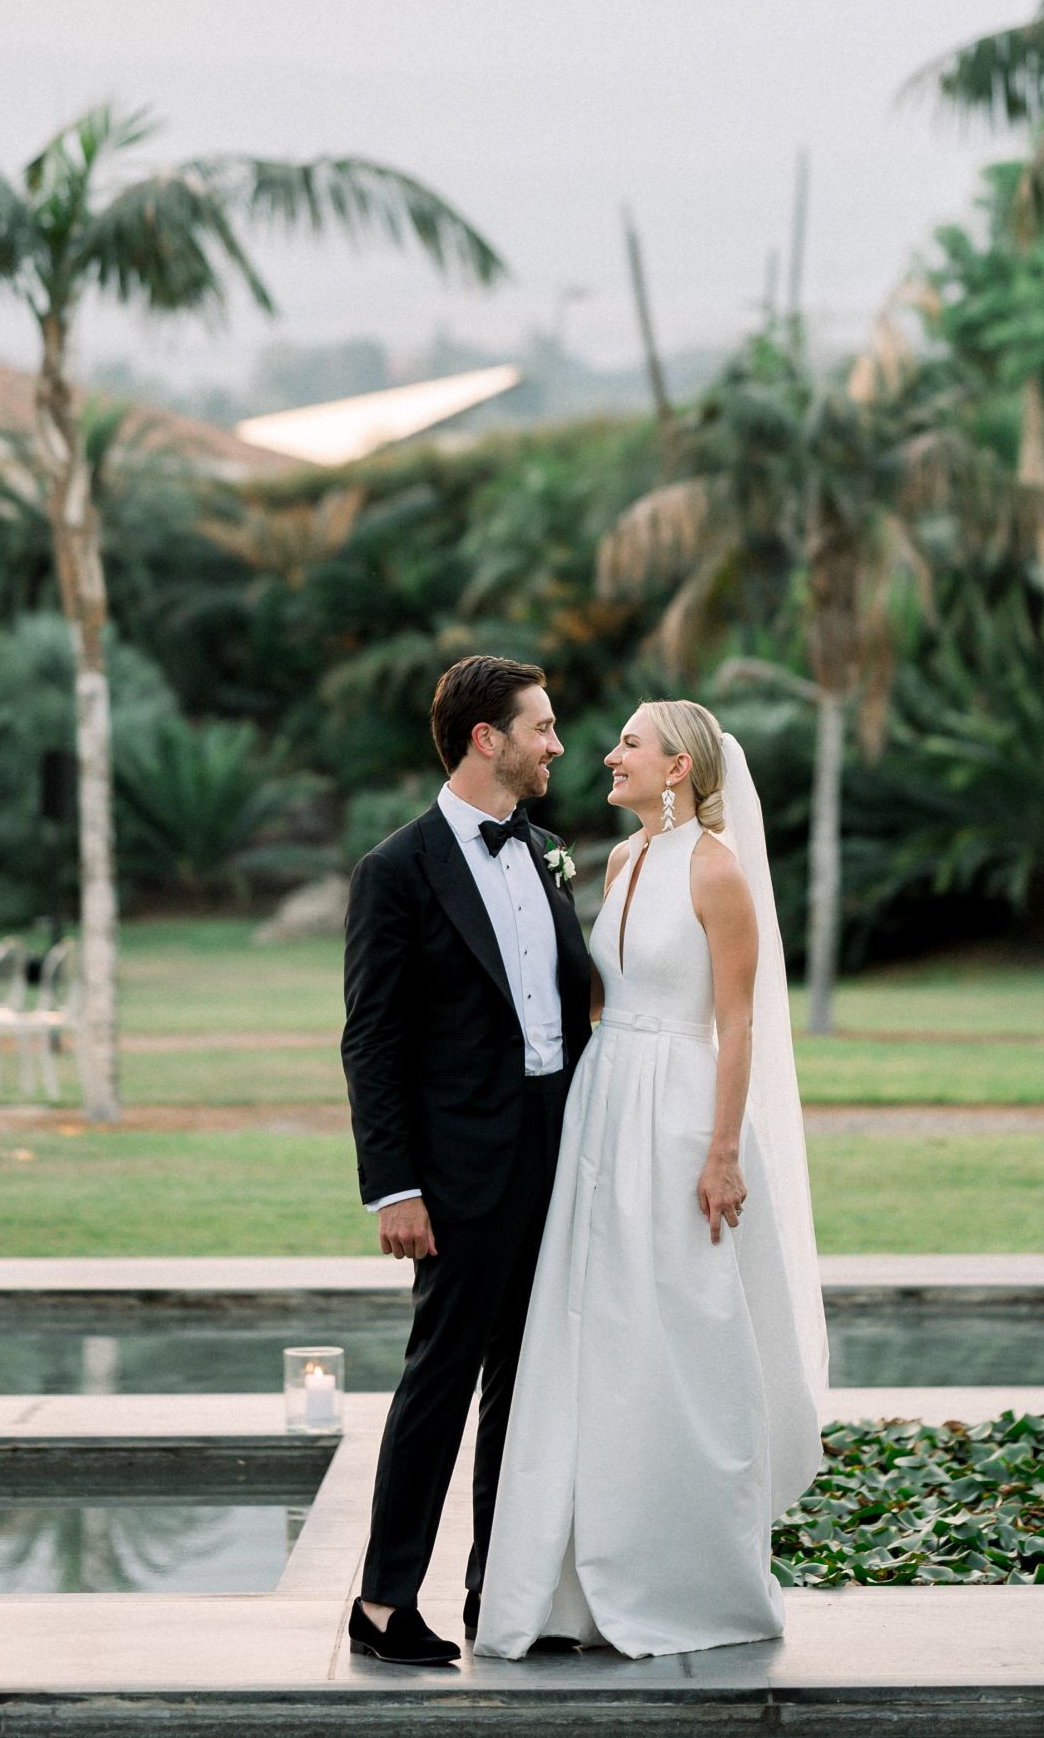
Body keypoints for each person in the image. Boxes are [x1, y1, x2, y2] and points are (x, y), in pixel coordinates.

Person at [474, 699, 827, 1660]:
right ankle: (574, 1578)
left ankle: (687, 1575)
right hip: (604, 1104)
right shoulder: (624, 861)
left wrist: (721, 1153)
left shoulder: (717, 871)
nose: (607, 754)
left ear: (678, 767)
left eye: (629, 743)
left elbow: (740, 1023)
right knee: (593, 1328)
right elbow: (596, 990)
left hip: (679, 1115)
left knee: (681, 1330)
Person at [341, 653, 592, 1669]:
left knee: (527, 1386)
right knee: (440, 1380)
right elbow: (372, 1038)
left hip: (556, 1156)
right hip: (455, 1174)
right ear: (488, 737)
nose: (557, 744)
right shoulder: (395, 871)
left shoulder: (546, 853)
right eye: (542, 725)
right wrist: (393, 1183)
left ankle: (504, 1589)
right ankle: (382, 1600)